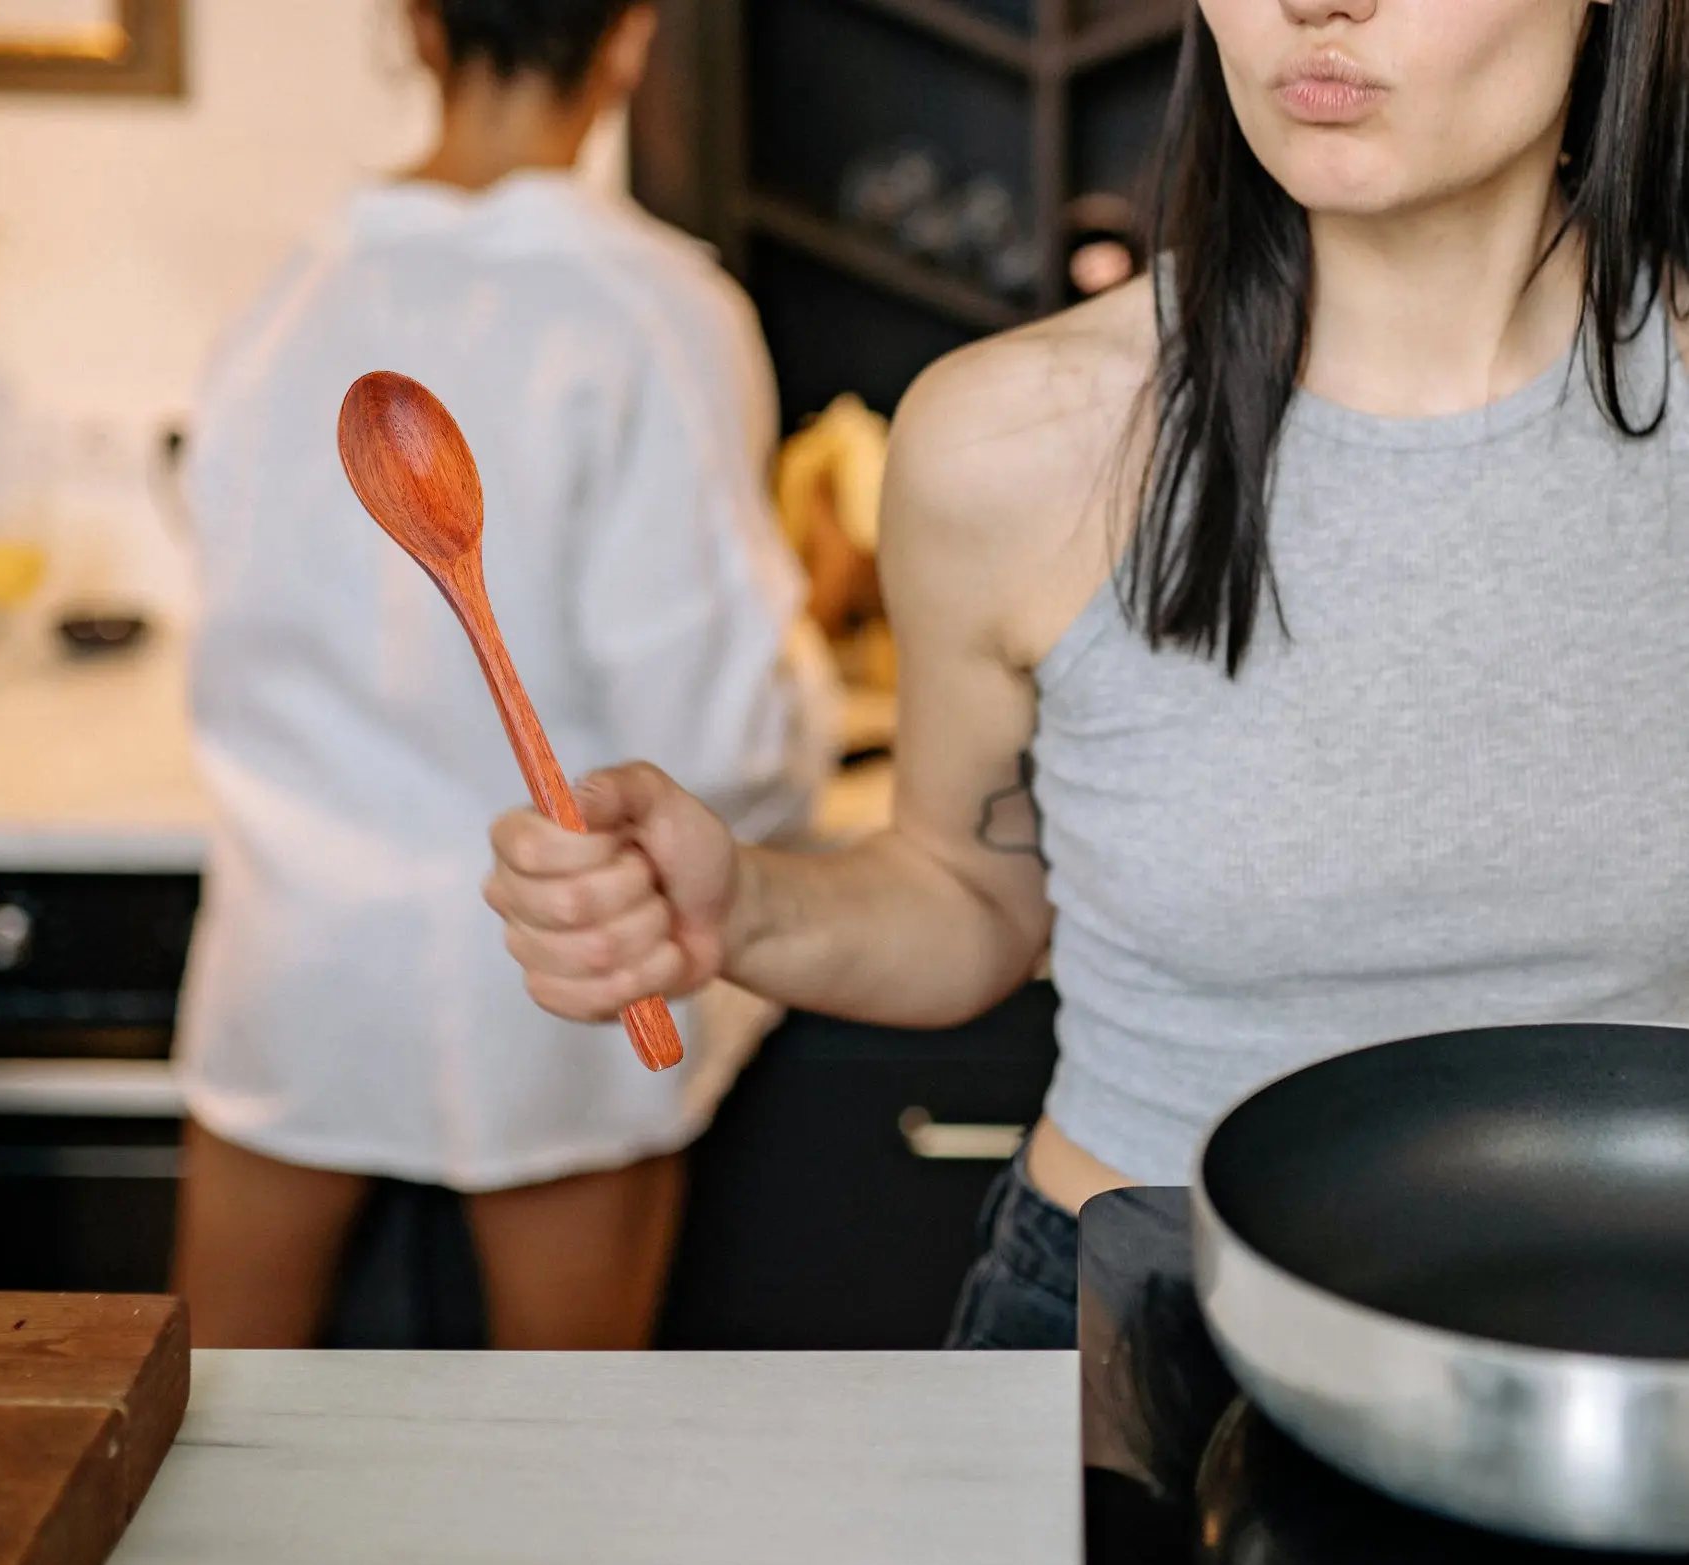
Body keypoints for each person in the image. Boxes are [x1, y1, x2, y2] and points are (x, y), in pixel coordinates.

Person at [484, 0, 1689, 1348]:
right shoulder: (1015, 443)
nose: (1314, 4)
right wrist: (740, 912)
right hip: (1132, 1325)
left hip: (1627, 1333)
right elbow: (967, 897)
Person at [174, 0, 837, 1349]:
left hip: (295, 953)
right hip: (556, 970)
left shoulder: (282, 293)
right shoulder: (653, 309)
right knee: (573, 1457)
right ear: (630, 40)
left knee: (206, 1458)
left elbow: (227, 589)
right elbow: (716, 731)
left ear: (414, 29)